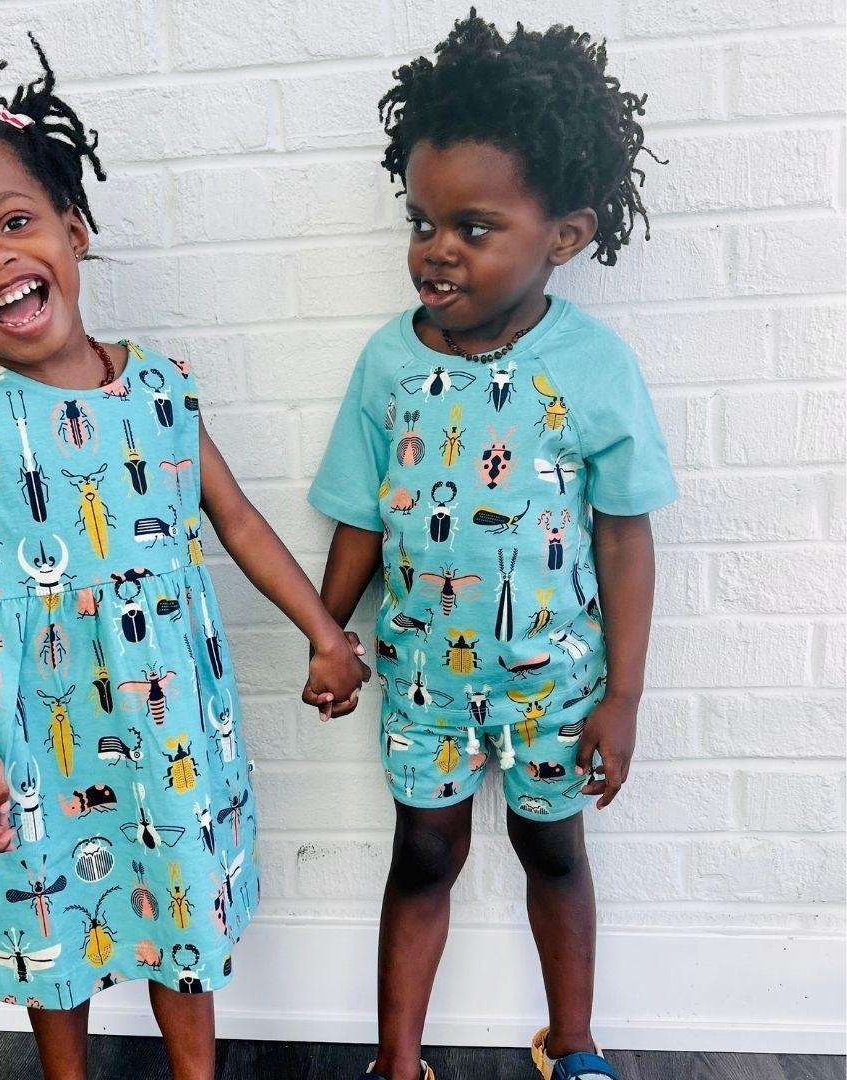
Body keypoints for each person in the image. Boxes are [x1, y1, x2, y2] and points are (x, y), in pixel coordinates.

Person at [0, 34, 369, 1080]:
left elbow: (229, 517)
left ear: (74, 229)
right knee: (51, 919)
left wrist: (324, 632)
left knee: (179, 898)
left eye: (14, 222)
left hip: (172, 713)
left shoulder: (159, 388)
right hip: (30, 732)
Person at [304, 12, 678, 1080]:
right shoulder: (387, 365)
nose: (436, 248)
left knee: (551, 849)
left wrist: (625, 696)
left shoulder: (593, 367)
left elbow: (624, 537)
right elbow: (364, 517)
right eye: (422, 219)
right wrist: (333, 637)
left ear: (561, 236)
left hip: (555, 685)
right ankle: (397, 1061)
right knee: (422, 854)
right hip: (424, 679)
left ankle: (578, 1048)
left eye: (473, 226)